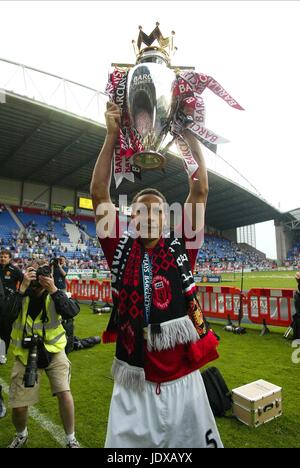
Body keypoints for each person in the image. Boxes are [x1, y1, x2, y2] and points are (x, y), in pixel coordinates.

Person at [90, 102, 223, 448]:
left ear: (167, 219)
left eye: (156, 211)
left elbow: (200, 190)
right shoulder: (118, 249)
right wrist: (110, 136)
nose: (148, 216)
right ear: (130, 220)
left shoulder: (183, 247)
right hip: (133, 386)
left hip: (184, 382)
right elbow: (98, 194)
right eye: (140, 210)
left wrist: (188, 134)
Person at [4, 259, 80, 448]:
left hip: (54, 352)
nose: (38, 277)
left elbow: (71, 311)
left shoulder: (56, 294)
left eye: (43, 272)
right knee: (19, 405)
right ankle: (21, 434)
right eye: (34, 272)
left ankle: (71, 438)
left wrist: (53, 289)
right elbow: (5, 316)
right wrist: (22, 288)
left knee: (64, 393)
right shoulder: (19, 294)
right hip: (24, 353)